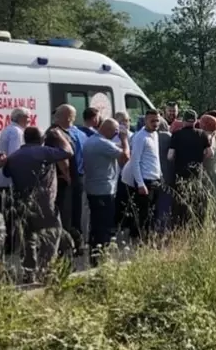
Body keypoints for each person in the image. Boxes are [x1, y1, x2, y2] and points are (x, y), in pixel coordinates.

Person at [4, 127, 72, 277]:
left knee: (28, 237)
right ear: (41, 139)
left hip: (22, 202)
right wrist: (60, 136)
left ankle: (29, 271)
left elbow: (6, 173)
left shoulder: (14, 156)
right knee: (51, 234)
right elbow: (68, 153)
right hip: (44, 203)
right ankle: (45, 269)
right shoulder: (43, 152)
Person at [82, 118, 130, 258]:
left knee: (96, 223)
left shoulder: (91, 140)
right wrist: (125, 140)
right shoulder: (102, 143)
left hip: (93, 188)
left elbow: (113, 146)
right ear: (108, 130)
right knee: (104, 224)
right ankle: (101, 254)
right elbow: (125, 156)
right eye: (115, 132)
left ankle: (95, 253)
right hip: (103, 190)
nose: (116, 135)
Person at [120, 109, 163, 240]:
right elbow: (135, 161)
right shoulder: (140, 137)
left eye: (157, 120)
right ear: (145, 121)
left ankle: (147, 238)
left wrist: (160, 174)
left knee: (152, 213)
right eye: (152, 121)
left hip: (155, 178)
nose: (155, 123)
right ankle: (139, 239)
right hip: (145, 180)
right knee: (143, 214)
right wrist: (140, 183)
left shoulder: (155, 135)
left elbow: (154, 157)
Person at [167, 109, 212, 227]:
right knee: (195, 200)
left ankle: (179, 225)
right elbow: (210, 153)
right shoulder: (202, 134)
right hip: (196, 173)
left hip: (180, 173)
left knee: (180, 201)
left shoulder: (176, 135)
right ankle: (194, 225)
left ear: (183, 120)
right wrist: (200, 160)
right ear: (195, 121)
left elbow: (170, 156)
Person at [45, 105, 80, 250]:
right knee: (64, 215)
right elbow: (62, 157)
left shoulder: (60, 131)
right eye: (73, 116)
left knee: (69, 214)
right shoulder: (55, 133)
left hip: (64, 180)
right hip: (62, 182)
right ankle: (63, 248)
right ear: (68, 117)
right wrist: (67, 175)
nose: (74, 119)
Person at [0, 107, 30, 216]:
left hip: (4, 176)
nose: (29, 120)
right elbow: (15, 155)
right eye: (27, 117)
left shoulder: (9, 129)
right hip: (11, 178)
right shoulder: (17, 132)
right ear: (21, 118)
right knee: (13, 211)